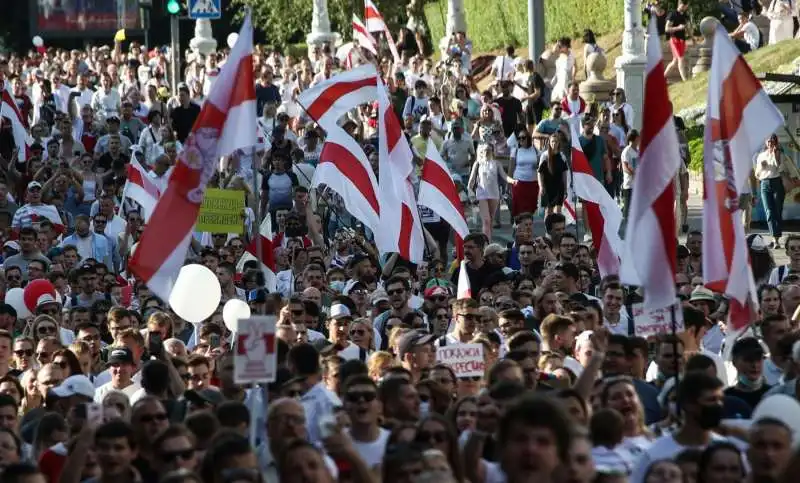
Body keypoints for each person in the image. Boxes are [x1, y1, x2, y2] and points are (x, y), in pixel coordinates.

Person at [468, 144, 517, 240]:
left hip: (494, 194)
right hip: (481, 194)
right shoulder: (477, 163)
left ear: (492, 151)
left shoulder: (496, 163)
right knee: (486, 220)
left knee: (490, 220)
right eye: (484, 150)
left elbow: (504, 175)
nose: (486, 152)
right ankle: (485, 243)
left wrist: (513, 181)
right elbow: (471, 180)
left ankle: (488, 241)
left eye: (488, 150)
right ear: (480, 152)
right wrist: (471, 193)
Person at [537, 133, 569, 217]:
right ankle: (548, 230)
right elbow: (540, 172)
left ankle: (556, 229)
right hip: (548, 187)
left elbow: (564, 174)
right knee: (548, 211)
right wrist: (541, 186)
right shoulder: (545, 155)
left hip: (559, 187)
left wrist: (565, 189)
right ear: (549, 142)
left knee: (558, 211)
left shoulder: (562, 156)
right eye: (552, 141)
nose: (554, 143)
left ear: (559, 143)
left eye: (556, 141)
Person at [665, 0, 691, 82]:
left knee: (675, 61)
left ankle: (662, 77)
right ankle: (685, 80)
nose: (685, 7)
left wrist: (692, 38)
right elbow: (667, 28)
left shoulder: (684, 15)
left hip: (682, 40)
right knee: (681, 58)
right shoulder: (673, 14)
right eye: (683, 6)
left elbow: (686, 27)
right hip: (674, 39)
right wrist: (678, 28)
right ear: (679, 4)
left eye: (686, 6)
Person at [621, 130, 640, 223]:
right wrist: (635, 173)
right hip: (629, 185)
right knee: (628, 211)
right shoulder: (627, 151)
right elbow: (625, 167)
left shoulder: (638, 151)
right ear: (635, 138)